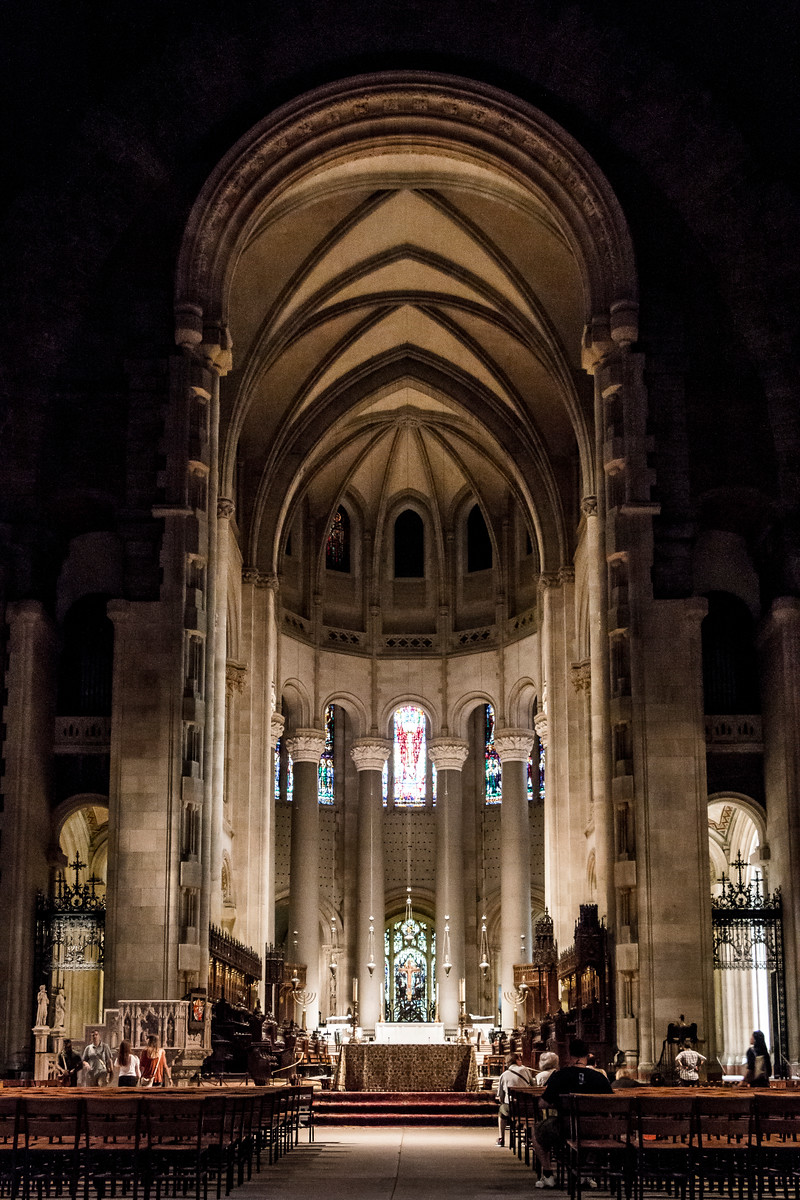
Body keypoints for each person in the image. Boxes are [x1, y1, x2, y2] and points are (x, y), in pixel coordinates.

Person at [532, 1037, 613, 1188]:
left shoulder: (560, 1075)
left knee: (536, 1132)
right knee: (598, 1132)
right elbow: (610, 1105)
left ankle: (548, 1175)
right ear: (587, 1056)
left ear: (570, 1055)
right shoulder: (599, 1077)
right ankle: (586, 1174)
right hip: (594, 1129)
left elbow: (543, 1104)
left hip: (565, 1127)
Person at [495, 1051, 537, 1147]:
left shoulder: (503, 1075)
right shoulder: (525, 1070)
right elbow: (534, 1085)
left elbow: (500, 1097)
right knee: (528, 1112)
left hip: (512, 1108)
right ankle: (528, 1137)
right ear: (517, 1061)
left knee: (501, 1111)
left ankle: (501, 1138)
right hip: (527, 1107)